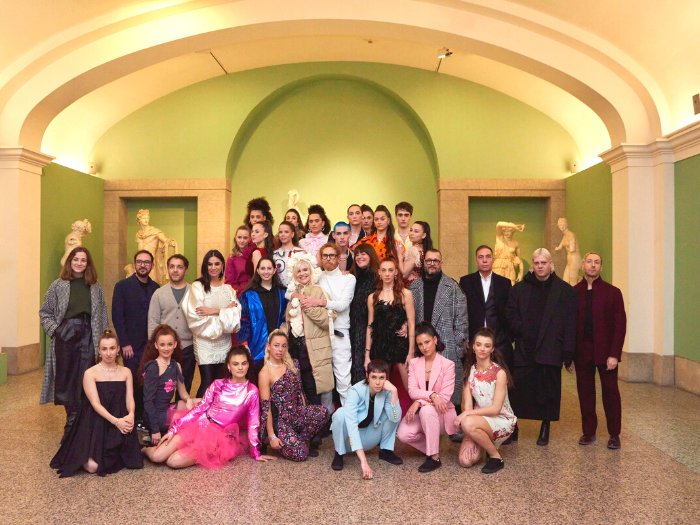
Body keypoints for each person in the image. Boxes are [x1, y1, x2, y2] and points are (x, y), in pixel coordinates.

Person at [143, 345, 276, 469]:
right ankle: (143, 450)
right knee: (157, 456)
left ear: (248, 366)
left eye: (243, 363)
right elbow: (199, 409)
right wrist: (173, 430)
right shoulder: (218, 384)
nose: (240, 367)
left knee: (173, 461)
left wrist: (255, 452)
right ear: (229, 367)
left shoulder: (252, 391)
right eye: (236, 364)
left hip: (218, 437)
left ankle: (184, 449)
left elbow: (253, 423)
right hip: (199, 424)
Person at [506, 248, 577, 446]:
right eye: (536, 263)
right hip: (524, 349)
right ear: (532, 265)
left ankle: (545, 427)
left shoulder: (565, 291)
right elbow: (510, 313)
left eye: (543, 263)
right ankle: (514, 427)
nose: (540, 267)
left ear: (551, 264)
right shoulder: (519, 289)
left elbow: (571, 324)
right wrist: (520, 329)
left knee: (548, 392)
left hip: (551, 349)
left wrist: (568, 354)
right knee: (518, 391)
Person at [50, 330, 143, 477]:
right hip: (96, 421)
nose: (108, 353)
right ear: (99, 350)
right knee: (93, 467)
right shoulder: (90, 373)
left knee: (130, 461)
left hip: (119, 417)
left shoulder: (126, 372)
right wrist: (117, 422)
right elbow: (95, 404)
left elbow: (130, 398)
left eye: (112, 348)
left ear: (118, 349)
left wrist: (131, 414)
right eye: (104, 349)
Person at [40, 247, 109, 441]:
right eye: (75, 259)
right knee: (66, 381)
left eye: (83, 260)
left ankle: (79, 425)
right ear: (70, 261)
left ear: (88, 263)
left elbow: (102, 314)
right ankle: (71, 424)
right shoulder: (58, 285)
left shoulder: (95, 286)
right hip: (65, 335)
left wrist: (104, 340)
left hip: (89, 335)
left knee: (86, 379)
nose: (79, 263)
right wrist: (56, 330)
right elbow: (45, 312)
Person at [569, 252, 626, 449]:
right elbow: (569, 327)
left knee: (610, 393)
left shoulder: (613, 292)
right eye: (589, 262)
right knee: (585, 392)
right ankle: (588, 431)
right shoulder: (574, 292)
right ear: (583, 265)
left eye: (597, 262)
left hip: (606, 351)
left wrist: (614, 354)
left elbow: (620, 326)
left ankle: (614, 434)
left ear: (601, 268)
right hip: (582, 350)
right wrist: (569, 357)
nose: (592, 265)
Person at [459, 244, 516, 442]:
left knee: (503, 382)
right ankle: (472, 423)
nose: (484, 260)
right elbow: (463, 311)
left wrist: (508, 337)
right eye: (480, 257)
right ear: (476, 260)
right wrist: (466, 338)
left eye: (488, 256)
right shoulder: (466, 282)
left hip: (499, 340)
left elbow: (509, 312)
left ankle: (508, 427)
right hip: (475, 341)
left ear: (493, 260)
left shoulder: (504, 283)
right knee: (473, 381)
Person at [409, 248, 468, 411]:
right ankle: (425, 420)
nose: (432, 264)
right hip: (422, 346)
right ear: (423, 263)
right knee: (424, 385)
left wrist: (457, 345)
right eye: (429, 260)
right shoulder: (414, 287)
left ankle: (455, 424)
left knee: (450, 390)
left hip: (447, 345)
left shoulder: (452, 287)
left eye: (436, 261)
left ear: (441, 263)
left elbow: (462, 319)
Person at [299, 243, 357, 408]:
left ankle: (348, 421)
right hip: (320, 334)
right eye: (325, 256)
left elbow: (343, 304)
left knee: (343, 380)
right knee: (324, 383)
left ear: (339, 258)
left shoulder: (348, 278)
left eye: (332, 255)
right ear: (320, 258)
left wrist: (319, 302)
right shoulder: (316, 277)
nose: (329, 259)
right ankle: (327, 422)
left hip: (340, 333)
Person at [258, 331, 331, 461]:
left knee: (324, 412)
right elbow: (265, 407)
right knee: (301, 454)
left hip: (296, 413)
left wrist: (304, 415)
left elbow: (299, 391)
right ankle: (289, 441)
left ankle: (298, 439)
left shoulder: (293, 365)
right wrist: (271, 436)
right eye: (276, 345)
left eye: (284, 346)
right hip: (281, 421)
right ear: (268, 346)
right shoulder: (265, 373)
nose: (280, 349)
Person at [454, 327, 517, 474]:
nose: (482, 349)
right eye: (479, 344)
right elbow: (468, 406)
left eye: (487, 346)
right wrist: (469, 435)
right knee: (465, 461)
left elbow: (495, 409)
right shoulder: (468, 371)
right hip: (479, 421)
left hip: (501, 419)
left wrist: (465, 416)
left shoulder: (499, 373)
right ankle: (482, 440)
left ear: (492, 349)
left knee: (467, 421)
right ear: (473, 347)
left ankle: (495, 457)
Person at [397, 323, 457, 473]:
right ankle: (432, 446)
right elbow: (412, 391)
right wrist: (431, 395)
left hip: (442, 414)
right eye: (420, 344)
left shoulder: (448, 365)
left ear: (435, 340)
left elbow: (444, 397)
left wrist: (418, 402)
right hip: (426, 412)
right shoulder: (414, 363)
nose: (424, 347)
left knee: (426, 411)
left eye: (427, 342)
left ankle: (434, 457)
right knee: (403, 433)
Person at [183, 249, 242, 397]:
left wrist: (214, 311)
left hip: (224, 343)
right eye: (210, 264)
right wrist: (224, 312)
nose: (213, 267)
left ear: (222, 266)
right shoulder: (198, 287)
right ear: (205, 266)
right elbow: (196, 317)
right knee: (207, 381)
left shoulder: (229, 290)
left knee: (222, 382)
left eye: (217, 264)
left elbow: (235, 320)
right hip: (205, 343)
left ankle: (216, 417)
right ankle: (199, 417)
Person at [330, 359, 403, 477]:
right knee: (340, 414)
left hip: (369, 435)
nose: (378, 382)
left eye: (381, 378)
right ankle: (339, 453)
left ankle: (385, 450)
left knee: (392, 413)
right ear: (367, 376)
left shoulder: (387, 391)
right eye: (374, 377)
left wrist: (394, 391)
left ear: (386, 378)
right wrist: (364, 462)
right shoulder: (355, 391)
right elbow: (351, 425)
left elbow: (395, 419)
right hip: (349, 439)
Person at [285, 252, 336, 407]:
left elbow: (330, 319)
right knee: (300, 387)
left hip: (314, 348)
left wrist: (308, 307)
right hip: (295, 347)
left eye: (305, 269)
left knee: (316, 387)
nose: (302, 273)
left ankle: (321, 425)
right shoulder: (293, 295)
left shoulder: (319, 291)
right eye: (298, 271)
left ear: (312, 271)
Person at [138, 324, 195, 445]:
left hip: (167, 409)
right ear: (156, 345)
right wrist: (154, 430)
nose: (166, 348)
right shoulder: (153, 367)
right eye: (162, 345)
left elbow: (183, 392)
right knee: (192, 417)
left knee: (200, 402)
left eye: (169, 344)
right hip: (154, 417)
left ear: (175, 344)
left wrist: (188, 399)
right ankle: (159, 437)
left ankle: (174, 436)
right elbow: (148, 401)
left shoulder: (176, 365)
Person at [148, 254, 195, 399]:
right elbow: (153, 321)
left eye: (179, 267)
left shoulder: (195, 292)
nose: (175, 270)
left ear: (186, 270)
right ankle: (161, 419)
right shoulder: (159, 294)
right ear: (168, 269)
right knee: (162, 388)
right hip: (164, 350)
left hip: (188, 347)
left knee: (184, 386)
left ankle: (180, 419)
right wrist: (154, 347)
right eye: (172, 267)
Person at [112, 250, 160, 391]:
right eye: (139, 262)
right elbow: (117, 317)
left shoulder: (156, 288)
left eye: (146, 262)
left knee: (150, 383)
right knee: (133, 383)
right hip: (131, 347)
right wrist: (125, 343)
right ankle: (134, 413)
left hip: (151, 345)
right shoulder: (122, 286)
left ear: (152, 265)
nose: (142, 265)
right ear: (134, 265)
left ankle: (147, 413)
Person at [366, 258, 415, 391]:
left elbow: (411, 323)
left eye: (390, 270)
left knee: (410, 387)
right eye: (384, 270)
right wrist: (367, 355)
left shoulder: (405, 294)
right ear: (379, 272)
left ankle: (415, 412)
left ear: (396, 272)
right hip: (380, 345)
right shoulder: (373, 297)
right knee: (380, 388)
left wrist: (411, 352)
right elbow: (370, 326)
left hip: (400, 344)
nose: (387, 273)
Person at [238, 257, 289, 373]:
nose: (266, 271)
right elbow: (244, 322)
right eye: (263, 268)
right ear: (258, 271)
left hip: (279, 345)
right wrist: (244, 344)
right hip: (256, 346)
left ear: (274, 270)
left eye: (269, 268)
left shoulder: (283, 293)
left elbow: (287, 319)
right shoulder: (247, 295)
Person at [349, 244, 381, 385]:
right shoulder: (352, 277)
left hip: (370, 328)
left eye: (364, 254)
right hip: (354, 327)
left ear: (371, 256)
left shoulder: (377, 277)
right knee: (355, 363)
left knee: (367, 366)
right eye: (357, 254)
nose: (360, 257)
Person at [360, 204, 405, 275]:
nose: (379, 222)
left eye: (382, 219)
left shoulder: (396, 245)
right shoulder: (364, 242)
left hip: (387, 280)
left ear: (388, 220)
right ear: (373, 222)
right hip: (367, 279)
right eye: (376, 219)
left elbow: (400, 270)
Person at [273, 220, 305, 288]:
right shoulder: (274, 255)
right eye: (280, 232)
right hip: (279, 292)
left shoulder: (301, 253)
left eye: (286, 232)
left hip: (298, 291)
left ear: (292, 234)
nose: (283, 234)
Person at [225, 225, 255, 297]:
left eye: (245, 238)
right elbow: (229, 280)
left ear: (249, 239)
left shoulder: (255, 253)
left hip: (254, 290)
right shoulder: (232, 257)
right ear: (235, 238)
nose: (242, 241)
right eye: (239, 237)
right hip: (240, 293)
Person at [402, 221, 433, 287]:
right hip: (420, 286)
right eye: (411, 230)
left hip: (410, 286)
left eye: (416, 231)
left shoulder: (414, 251)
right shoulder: (424, 249)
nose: (411, 233)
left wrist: (399, 255)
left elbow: (404, 274)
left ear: (424, 235)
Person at [494, 221, 525, 285]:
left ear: (513, 231)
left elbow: (519, 259)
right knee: (497, 287)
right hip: (499, 266)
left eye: (508, 231)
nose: (506, 233)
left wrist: (520, 273)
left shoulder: (515, 243)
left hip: (510, 267)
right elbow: (499, 224)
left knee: (511, 287)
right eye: (505, 231)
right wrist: (514, 226)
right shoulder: (500, 238)